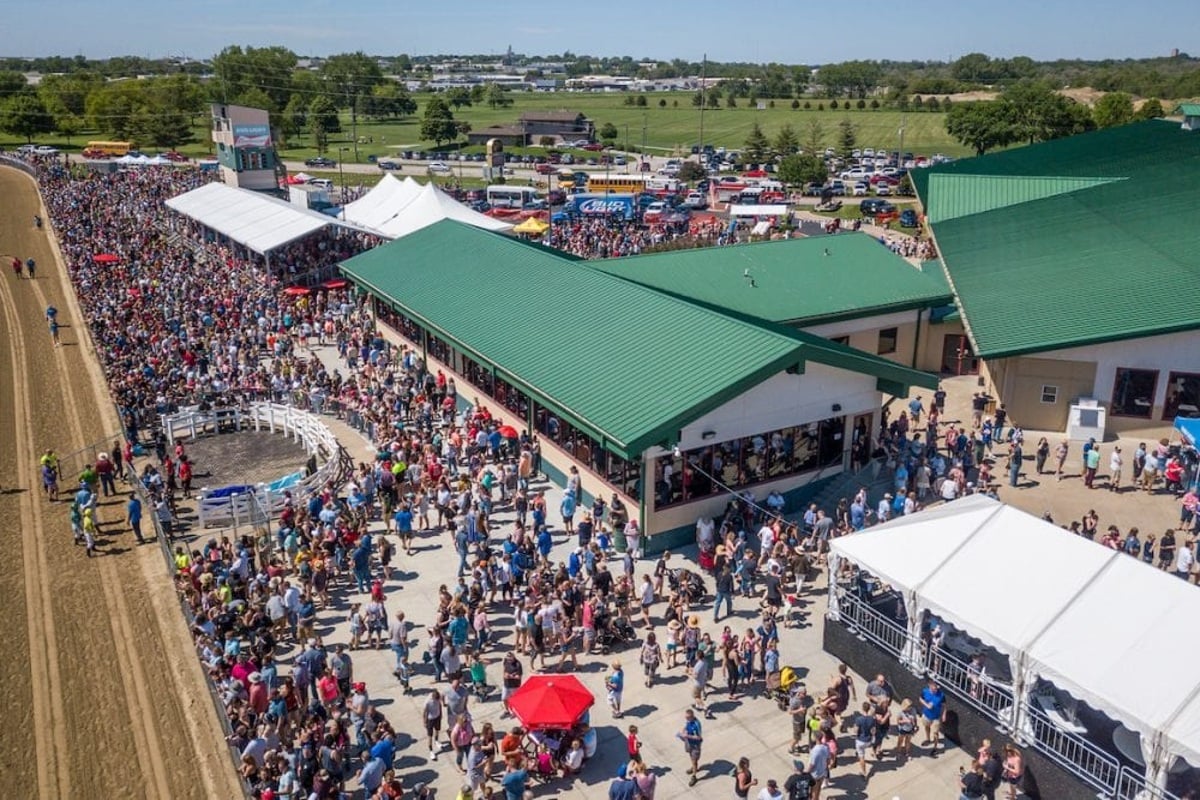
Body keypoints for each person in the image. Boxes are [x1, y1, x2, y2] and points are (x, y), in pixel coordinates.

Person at [920, 678, 946, 753]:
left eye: (936, 688)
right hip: (926, 715)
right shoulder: (925, 691)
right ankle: (928, 739)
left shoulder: (941, 695)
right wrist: (927, 705)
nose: (936, 689)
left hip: (936, 717)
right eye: (934, 688)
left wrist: (944, 714)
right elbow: (920, 699)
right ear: (929, 686)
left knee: (935, 732)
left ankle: (935, 747)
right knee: (927, 727)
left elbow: (944, 705)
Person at [679, 708, 703, 786]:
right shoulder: (689, 721)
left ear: (692, 716)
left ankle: (694, 776)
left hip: (695, 745)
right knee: (692, 758)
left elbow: (699, 737)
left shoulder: (697, 724)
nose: (687, 719)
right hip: (689, 743)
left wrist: (688, 736)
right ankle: (694, 767)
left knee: (694, 760)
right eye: (686, 718)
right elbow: (686, 727)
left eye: (688, 718)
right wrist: (683, 732)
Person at [852, 701, 875, 779]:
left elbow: (856, 731)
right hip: (868, 740)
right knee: (863, 750)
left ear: (862, 708)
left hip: (860, 740)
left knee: (862, 757)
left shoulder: (859, 719)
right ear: (869, 709)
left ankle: (864, 772)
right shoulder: (871, 719)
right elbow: (873, 730)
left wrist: (854, 729)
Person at [807, 730, 831, 800]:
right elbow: (828, 760)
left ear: (816, 738)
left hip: (815, 775)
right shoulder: (825, 747)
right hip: (822, 772)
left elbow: (812, 764)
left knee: (813, 792)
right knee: (818, 790)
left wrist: (806, 773)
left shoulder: (814, 750)